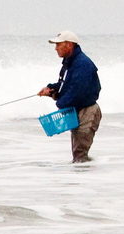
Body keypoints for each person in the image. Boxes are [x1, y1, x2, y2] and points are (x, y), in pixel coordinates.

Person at [39, 31, 101, 163]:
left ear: (69, 45)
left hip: (88, 112)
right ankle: (83, 178)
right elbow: (65, 85)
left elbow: (77, 92)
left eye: (58, 45)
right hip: (78, 111)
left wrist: (59, 103)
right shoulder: (70, 62)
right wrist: (51, 89)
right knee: (79, 156)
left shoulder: (82, 64)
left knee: (80, 156)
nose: (55, 48)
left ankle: (86, 180)